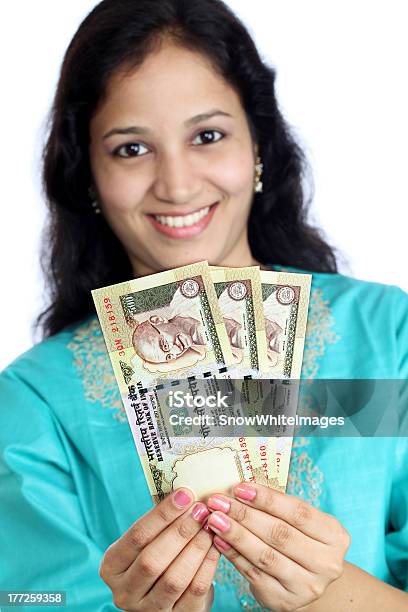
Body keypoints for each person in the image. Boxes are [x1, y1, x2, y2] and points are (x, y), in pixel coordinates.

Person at [0, 0, 407, 610]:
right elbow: (34, 598)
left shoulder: (383, 337)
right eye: (131, 149)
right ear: (88, 176)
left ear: (259, 146)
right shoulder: (38, 403)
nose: (178, 184)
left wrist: (329, 592)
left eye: (207, 136)